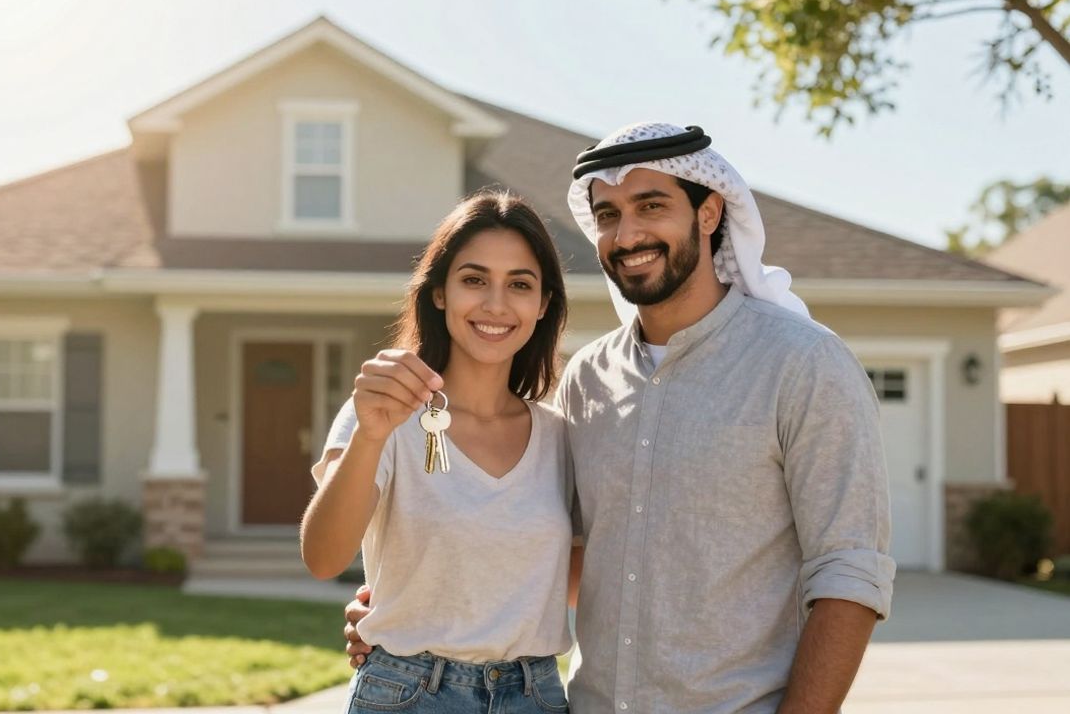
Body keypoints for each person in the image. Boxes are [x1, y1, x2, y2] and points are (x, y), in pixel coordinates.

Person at [344, 123, 896, 714]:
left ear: (709, 214)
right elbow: (573, 554)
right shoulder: (586, 379)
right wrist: (409, 611)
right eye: (607, 214)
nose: (627, 234)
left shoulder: (803, 363)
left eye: (651, 206)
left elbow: (850, 572)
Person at [301, 189, 582, 714]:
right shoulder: (383, 414)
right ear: (439, 293)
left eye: (519, 284)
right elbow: (323, 557)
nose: (496, 304)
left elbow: (583, 585)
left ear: (543, 304)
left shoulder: (562, 438)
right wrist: (370, 434)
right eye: (474, 280)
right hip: (410, 693)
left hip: (535, 695)